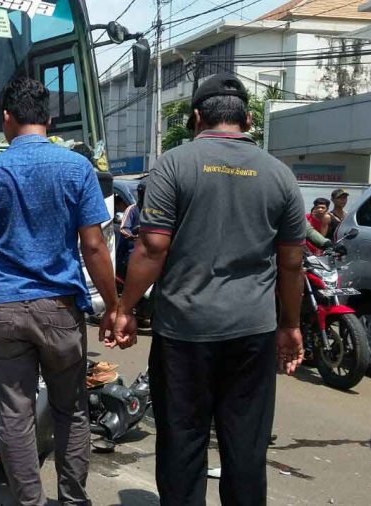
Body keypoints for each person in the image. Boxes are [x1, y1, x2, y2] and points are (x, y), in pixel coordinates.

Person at [111, 73, 306, 506]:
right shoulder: (280, 176)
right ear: (249, 119)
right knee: (246, 448)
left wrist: (125, 308)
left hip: (184, 333)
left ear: (196, 117)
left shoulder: (175, 164)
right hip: (252, 332)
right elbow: (292, 262)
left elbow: (152, 245)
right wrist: (290, 326)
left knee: (183, 444)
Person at [0, 77, 119, 506]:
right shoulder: (76, 168)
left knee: (15, 413)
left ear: (7, 119)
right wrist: (115, 305)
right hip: (59, 310)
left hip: (5, 307)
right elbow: (93, 245)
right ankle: (73, 500)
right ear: (49, 120)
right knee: (71, 410)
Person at [117, 182, 146, 278]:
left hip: (149, 253)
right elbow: (124, 229)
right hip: (132, 252)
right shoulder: (132, 209)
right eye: (143, 193)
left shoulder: (154, 211)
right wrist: (135, 236)